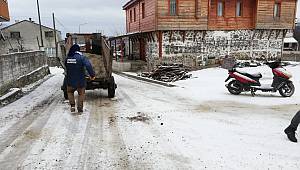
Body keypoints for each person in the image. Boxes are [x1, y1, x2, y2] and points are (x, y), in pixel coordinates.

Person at [65, 44, 95, 113]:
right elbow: (88, 65)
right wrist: (92, 75)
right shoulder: (81, 57)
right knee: (81, 94)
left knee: (70, 92)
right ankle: (79, 108)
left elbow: (66, 66)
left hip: (70, 80)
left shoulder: (68, 58)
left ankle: (72, 106)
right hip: (80, 81)